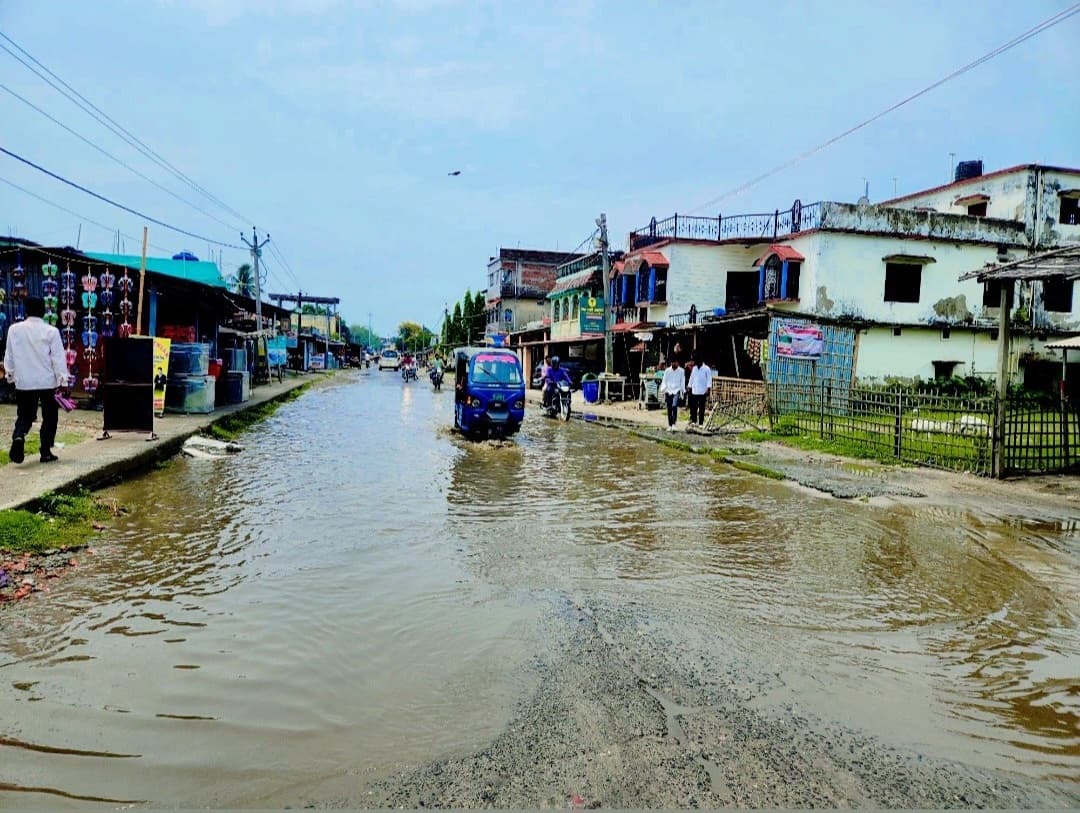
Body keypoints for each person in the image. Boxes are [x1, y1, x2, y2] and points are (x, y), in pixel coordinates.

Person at [4, 297, 69, 464]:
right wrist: (63, 381)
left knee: (25, 415)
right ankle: (45, 451)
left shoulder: (14, 330)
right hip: (47, 382)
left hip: (24, 381)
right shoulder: (51, 331)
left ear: (26, 311)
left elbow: (9, 355)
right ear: (43, 311)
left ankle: (19, 436)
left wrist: (10, 375)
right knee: (49, 417)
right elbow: (58, 358)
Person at [687, 352, 714, 428]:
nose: (694, 362)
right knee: (693, 407)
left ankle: (701, 423)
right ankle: (694, 421)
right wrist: (689, 386)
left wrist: (708, 388)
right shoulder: (694, 369)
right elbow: (691, 378)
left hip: (702, 391)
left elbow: (709, 379)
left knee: (702, 407)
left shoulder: (706, 369)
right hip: (694, 390)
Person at [659, 356, 685, 432]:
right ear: (671, 363)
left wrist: (682, 391)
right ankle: (670, 425)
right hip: (668, 390)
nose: (674, 364)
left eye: (676, 362)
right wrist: (663, 390)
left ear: (678, 363)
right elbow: (664, 381)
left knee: (674, 406)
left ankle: (674, 424)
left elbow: (682, 381)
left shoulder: (681, 371)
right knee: (669, 408)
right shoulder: (667, 371)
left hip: (676, 390)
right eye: (673, 362)